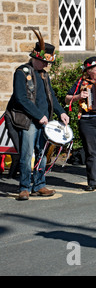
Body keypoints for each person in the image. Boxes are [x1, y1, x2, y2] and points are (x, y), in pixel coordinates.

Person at [5, 29, 70, 201]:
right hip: (28, 121)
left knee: (42, 154)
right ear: (35, 58)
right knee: (27, 155)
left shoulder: (44, 75)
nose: (45, 65)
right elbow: (20, 98)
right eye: (43, 62)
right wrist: (38, 115)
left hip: (43, 121)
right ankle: (24, 187)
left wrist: (61, 112)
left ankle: (39, 185)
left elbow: (52, 97)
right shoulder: (22, 72)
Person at [65, 57, 96, 192]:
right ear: (89, 71)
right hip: (87, 120)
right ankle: (91, 182)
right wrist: (78, 96)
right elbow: (67, 98)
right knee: (90, 152)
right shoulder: (80, 83)